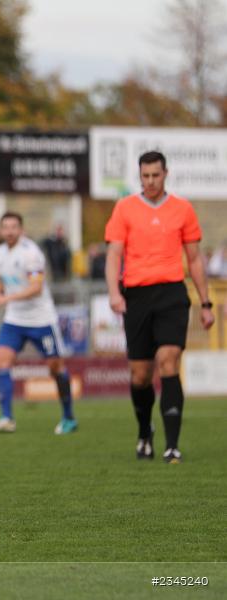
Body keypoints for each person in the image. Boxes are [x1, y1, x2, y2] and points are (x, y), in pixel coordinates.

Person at [104, 151, 214, 464]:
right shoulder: (124, 208)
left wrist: (206, 303)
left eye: (156, 175)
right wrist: (114, 293)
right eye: (145, 176)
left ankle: (173, 445)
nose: (150, 181)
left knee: (169, 360)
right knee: (140, 375)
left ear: (166, 173)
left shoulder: (182, 208)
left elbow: (194, 259)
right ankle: (144, 432)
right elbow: (113, 255)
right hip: (136, 295)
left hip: (171, 294)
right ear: (139, 176)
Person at [0, 212, 77, 435]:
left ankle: (69, 417)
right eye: (6, 227)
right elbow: (0, 281)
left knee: (55, 368)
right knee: (2, 360)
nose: (10, 231)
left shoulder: (31, 253)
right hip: (14, 319)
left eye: (14, 227)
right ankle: (6, 418)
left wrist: (5, 299)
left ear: (21, 230)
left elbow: (36, 288)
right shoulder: (0, 252)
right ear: (1, 231)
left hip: (41, 319)